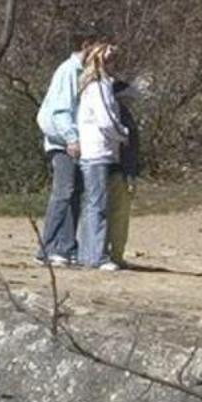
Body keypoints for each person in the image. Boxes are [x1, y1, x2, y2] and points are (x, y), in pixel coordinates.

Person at [35, 33, 93, 266]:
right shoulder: (69, 70)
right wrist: (71, 138)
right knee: (63, 192)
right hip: (62, 142)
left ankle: (67, 247)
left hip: (75, 142)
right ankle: (47, 247)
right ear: (87, 45)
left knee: (75, 192)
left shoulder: (85, 73)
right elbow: (60, 110)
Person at [75, 42, 128, 272]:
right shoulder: (98, 87)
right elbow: (106, 121)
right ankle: (96, 255)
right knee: (98, 205)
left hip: (97, 152)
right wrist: (123, 134)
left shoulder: (94, 86)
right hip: (99, 152)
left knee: (93, 204)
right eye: (111, 59)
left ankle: (88, 253)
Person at [107, 80, 142, 268]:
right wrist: (130, 174)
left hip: (114, 170)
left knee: (114, 214)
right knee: (118, 214)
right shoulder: (119, 115)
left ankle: (113, 254)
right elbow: (127, 148)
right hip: (118, 171)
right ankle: (114, 255)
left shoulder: (115, 112)